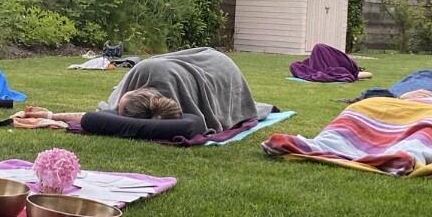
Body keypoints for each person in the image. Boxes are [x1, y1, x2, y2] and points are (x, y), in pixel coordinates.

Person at [26, 47, 270, 134]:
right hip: (209, 64)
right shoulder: (147, 75)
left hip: (221, 69)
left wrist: (50, 115)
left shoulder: (151, 77)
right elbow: (109, 115)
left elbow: (104, 117)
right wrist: (49, 115)